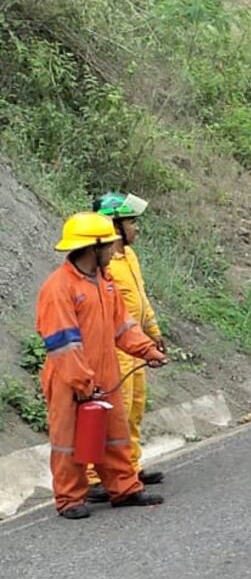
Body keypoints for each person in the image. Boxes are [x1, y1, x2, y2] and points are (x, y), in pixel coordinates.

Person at [36, 212, 167, 519]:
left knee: (115, 435)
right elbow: (63, 344)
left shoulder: (105, 282)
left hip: (105, 373)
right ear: (92, 248)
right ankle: (69, 500)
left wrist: (147, 350)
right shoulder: (59, 288)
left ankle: (124, 489)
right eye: (108, 245)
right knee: (69, 442)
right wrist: (83, 382)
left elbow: (123, 326)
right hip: (69, 379)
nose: (113, 250)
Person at [82, 193, 165, 504]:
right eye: (131, 222)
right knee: (112, 412)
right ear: (114, 226)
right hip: (116, 348)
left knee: (134, 408)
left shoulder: (128, 257)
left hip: (136, 343)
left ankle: (130, 466)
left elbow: (141, 298)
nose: (136, 228)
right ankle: (94, 477)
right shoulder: (103, 267)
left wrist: (153, 332)